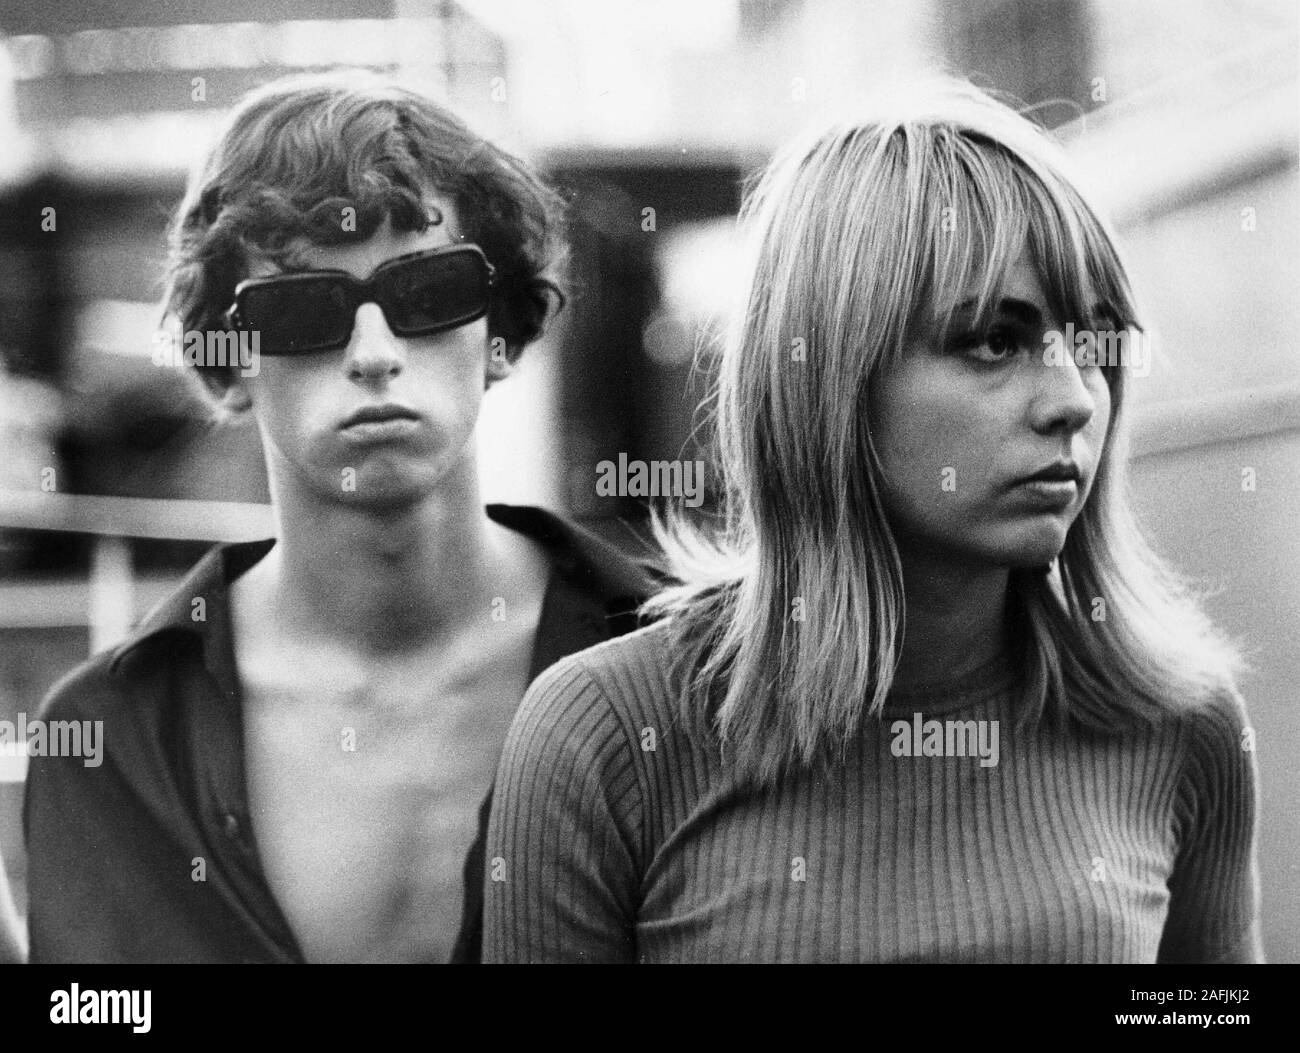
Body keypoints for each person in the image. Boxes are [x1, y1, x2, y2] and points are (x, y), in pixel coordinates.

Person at [483, 79, 1262, 963]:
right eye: (995, 340)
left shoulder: (1179, 724)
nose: (1075, 400)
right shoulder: (605, 738)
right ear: (831, 379)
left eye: (1095, 342)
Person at [24, 70, 657, 963]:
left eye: (429, 290)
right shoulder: (111, 742)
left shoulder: (681, 676)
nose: (374, 352)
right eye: (302, 307)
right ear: (232, 360)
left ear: (499, 329)